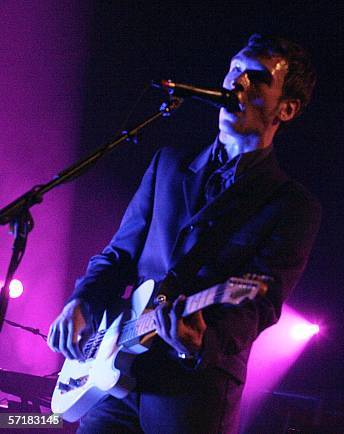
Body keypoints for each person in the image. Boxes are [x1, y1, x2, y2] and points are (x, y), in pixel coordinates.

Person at [47, 33, 321, 433]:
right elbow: (119, 255)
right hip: (113, 370)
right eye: (234, 69)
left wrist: (201, 339)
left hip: (192, 393)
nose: (236, 82)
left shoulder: (290, 205)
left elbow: (260, 304)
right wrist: (83, 300)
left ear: (287, 109)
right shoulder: (168, 165)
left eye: (257, 78)